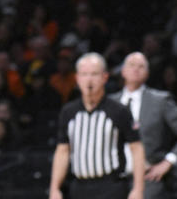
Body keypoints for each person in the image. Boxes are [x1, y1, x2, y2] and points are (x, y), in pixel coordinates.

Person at [49, 52, 144, 199]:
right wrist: (54, 188)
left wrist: (138, 189)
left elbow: (136, 149)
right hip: (79, 186)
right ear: (77, 78)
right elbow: (62, 150)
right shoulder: (68, 112)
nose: (89, 80)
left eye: (94, 74)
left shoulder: (118, 111)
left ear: (104, 77)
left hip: (111, 186)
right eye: (84, 74)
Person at [110, 52, 177, 199]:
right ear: (123, 71)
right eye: (131, 65)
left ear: (147, 74)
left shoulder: (160, 101)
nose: (136, 69)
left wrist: (168, 162)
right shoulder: (110, 103)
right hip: (113, 179)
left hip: (149, 177)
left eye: (141, 66)